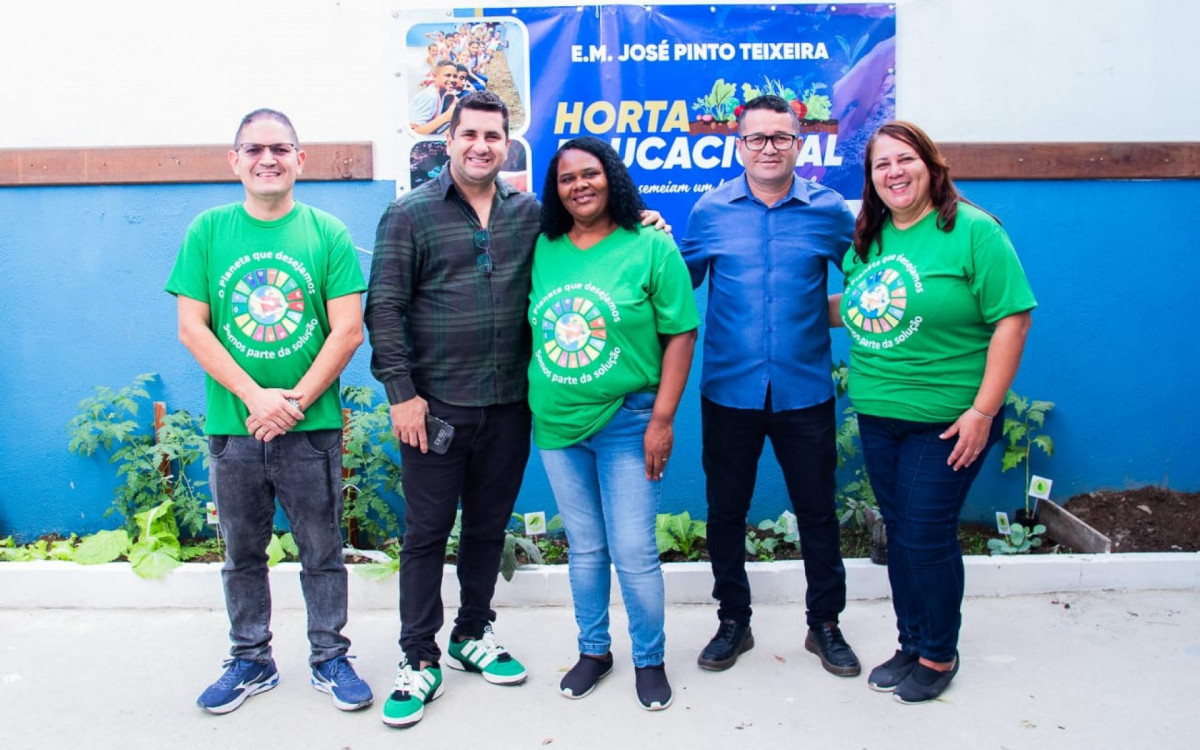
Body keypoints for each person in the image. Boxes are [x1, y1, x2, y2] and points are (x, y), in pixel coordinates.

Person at [368, 91, 669, 729]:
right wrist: (402, 395)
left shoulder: (530, 214)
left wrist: (646, 219)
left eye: (493, 136)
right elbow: (385, 308)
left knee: (486, 529)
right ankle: (417, 656)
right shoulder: (409, 214)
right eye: (469, 134)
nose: (481, 146)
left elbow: (597, 238)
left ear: (507, 145)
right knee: (425, 536)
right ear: (448, 141)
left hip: (509, 407)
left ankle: (472, 633)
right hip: (434, 408)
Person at [166, 108, 372, 715]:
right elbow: (192, 328)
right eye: (254, 149)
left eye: (280, 148)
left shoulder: (327, 233)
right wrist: (256, 398)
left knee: (322, 551)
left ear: (299, 159)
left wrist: (294, 402)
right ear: (235, 161)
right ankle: (251, 659)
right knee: (241, 554)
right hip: (234, 429)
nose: (268, 159)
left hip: (312, 431)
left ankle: (330, 656)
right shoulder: (208, 231)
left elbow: (348, 330)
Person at [832, 120, 1036, 704]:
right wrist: (777, 309)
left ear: (931, 164)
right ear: (871, 179)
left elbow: (1013, 319)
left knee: (925, 535)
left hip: (950, 418)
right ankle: (911, 642)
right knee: (901, 534)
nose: (894, 172)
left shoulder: (973, 230)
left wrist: (983, 412)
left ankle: (939, 653)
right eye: (882, 164)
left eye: (905, 159)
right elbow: (860, 306)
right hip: (879, 413)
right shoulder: (870, 239)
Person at [679, 95, 861, 678]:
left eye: (781, 137)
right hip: (728, 391)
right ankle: (734, 620)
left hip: (805, 392)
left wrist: (823, 314)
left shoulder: (829, 211)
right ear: (740, 145)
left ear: (799, 144)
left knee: (818, 512)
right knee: (725, 512)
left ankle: (824, 624)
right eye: (756, 137)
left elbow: (873, 282)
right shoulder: (710, 211)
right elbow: (676, 287)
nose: (769, 148)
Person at [528, 137, 699, 711]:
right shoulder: (543, 247)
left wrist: (663, 419)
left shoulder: (650, 244)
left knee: (633, 550)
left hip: (630, 421)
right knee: (584, 547)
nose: (579, 185)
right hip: (558, 424)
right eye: (567, 178)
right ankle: (594, 651)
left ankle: (649, 659)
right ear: (555, 191)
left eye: (591, 173)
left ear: (612, 178)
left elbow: (681, 333)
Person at [409, 60, 458, 136]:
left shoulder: (441, 94)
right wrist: (446, 117)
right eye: (447, 75)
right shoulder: (430, 95)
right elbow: (413, 132)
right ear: (434, 76)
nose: (452, 80)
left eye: (455, 76)